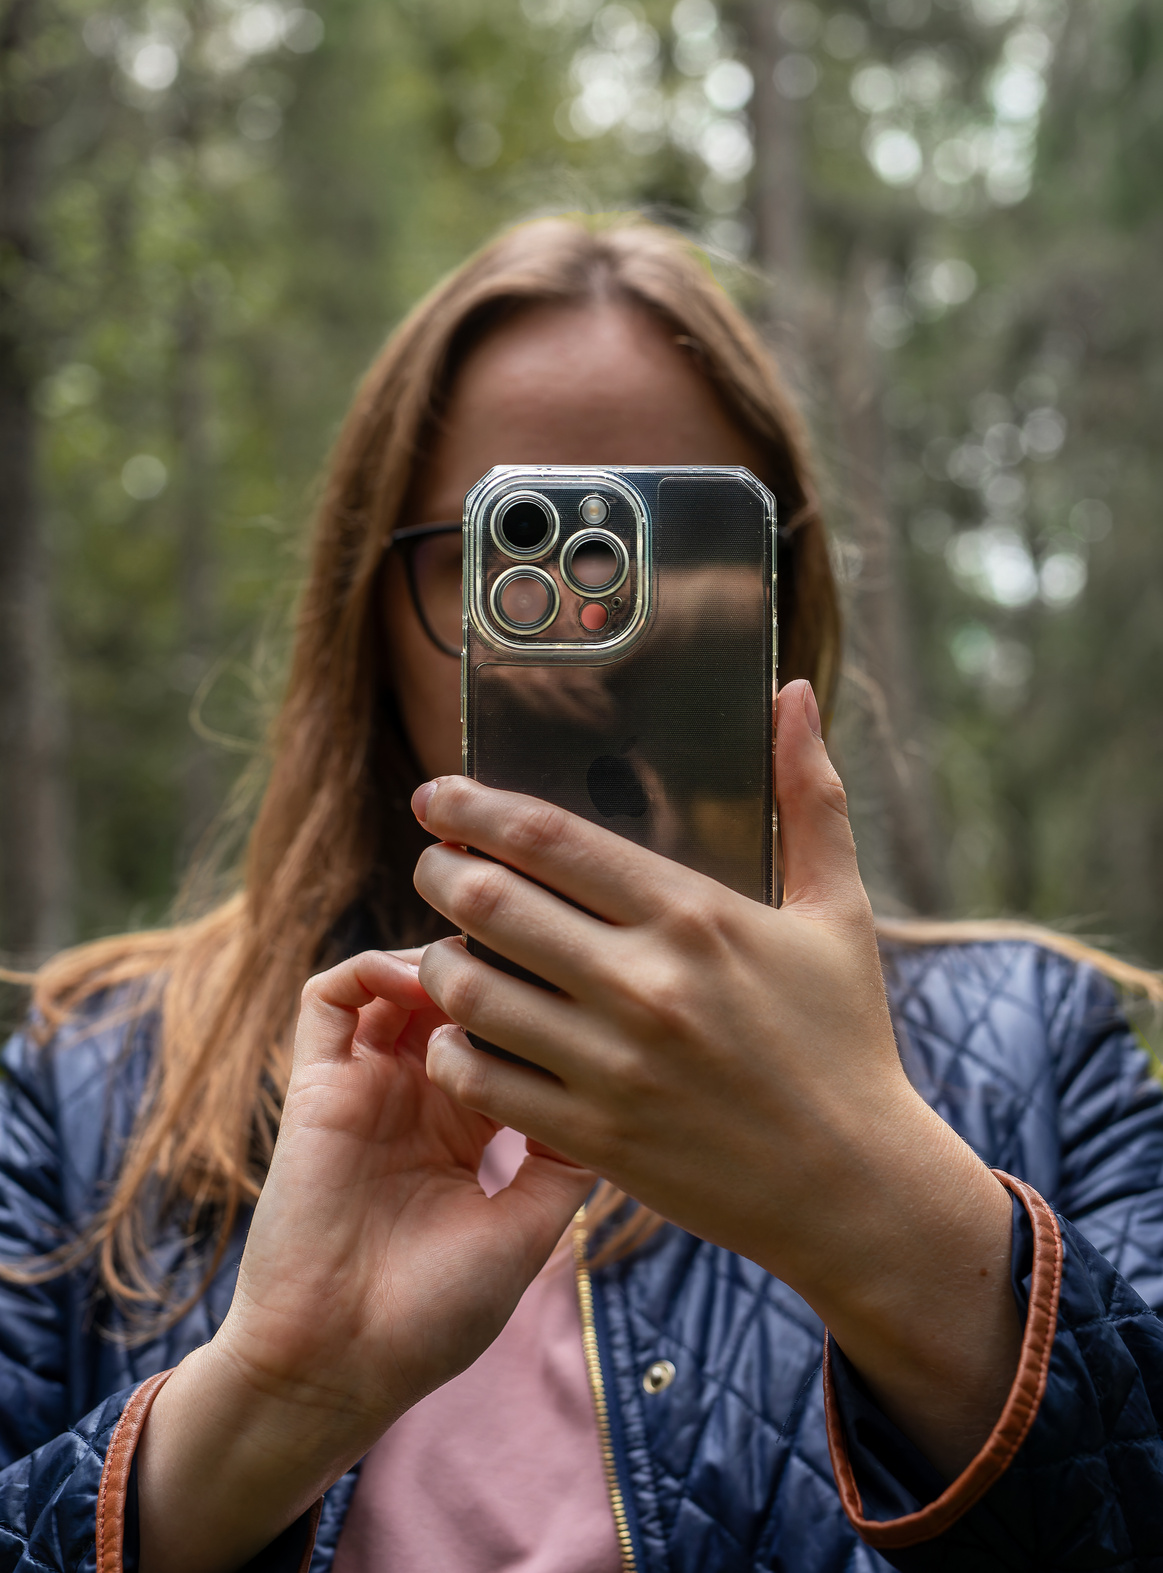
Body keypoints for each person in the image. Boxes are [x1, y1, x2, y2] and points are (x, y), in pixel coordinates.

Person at [1, 216, 1161, 1573]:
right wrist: (263, 1409)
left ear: (785, 593)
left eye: (676, 543)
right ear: (370, 605)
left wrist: (895, 1224)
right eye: (519, 552)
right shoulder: (92, 1086)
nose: (592, 638)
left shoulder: (1036, 1037)